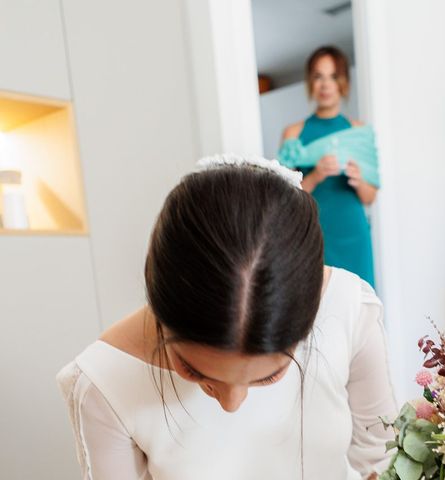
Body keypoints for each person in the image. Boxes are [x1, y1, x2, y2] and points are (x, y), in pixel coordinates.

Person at [56, 155, 396, 480]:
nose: (232, 403)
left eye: (268, 376)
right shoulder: (103, 384)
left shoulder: (349, 307)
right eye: (195, 371)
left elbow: (382, 457)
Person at [278, 46, 379, 287]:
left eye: (333, 77)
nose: (325, 85)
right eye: (318, 76)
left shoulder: (359, 131)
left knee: (359, 303)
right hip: (314, 234)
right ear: (310, 83)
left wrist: (358, 180)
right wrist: (315, 176)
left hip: (353, 232)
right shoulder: (294, 132)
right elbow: (283, 197)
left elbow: (370, 197)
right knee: (316, 303)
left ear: (343, 83)